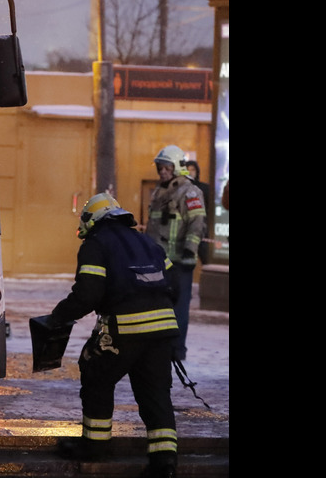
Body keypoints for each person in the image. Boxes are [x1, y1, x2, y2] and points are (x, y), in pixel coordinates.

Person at [50, 193, 178, 477]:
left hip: (124, 329)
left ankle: (95, 446)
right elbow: (175, 287)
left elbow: (88, 294)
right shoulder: (148, 242)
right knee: (155, 393)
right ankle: (164, 462)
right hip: (162, 331)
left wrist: (57, 316)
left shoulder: (96, 245)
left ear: (92, 221)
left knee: (96, 374)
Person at [145, 145, 206, 362]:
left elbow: (197, 223)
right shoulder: (160, 191)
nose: (162, 171)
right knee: (158, 306)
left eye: (166, 167)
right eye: (160, 167)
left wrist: (190, 251)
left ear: (177, 167)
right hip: (158, 261)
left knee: (178, 308)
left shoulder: (189, 191)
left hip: (180, 262)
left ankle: (176, 350)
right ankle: (159, 347)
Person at [183, 160, 212, 265]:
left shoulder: (205, 188)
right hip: (184, 231)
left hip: (202, 232)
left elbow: (210, 209)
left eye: (193, 170)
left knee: (207, 262)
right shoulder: (180, 189)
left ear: (197, 171)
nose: (190, 172)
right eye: (187, 170)